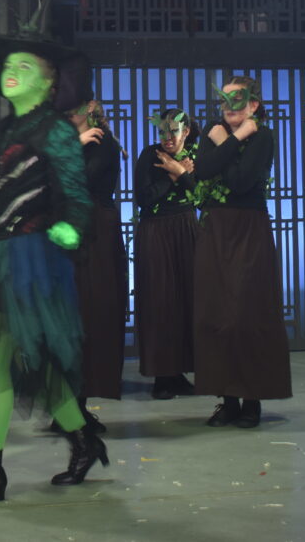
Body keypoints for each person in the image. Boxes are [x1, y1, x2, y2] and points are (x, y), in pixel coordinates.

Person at [0, 0, 107, 510]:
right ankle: (83, 442)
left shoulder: (56, 130)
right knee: (38, 368)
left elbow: (76, 197)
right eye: (9, 64)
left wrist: (69, 232)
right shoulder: (6, 130)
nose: (13, 70)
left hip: (31, 261)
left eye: (25, 66)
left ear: (50, 82)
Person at [192, 76, 292, 429]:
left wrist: (228, 142)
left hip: (249, 230)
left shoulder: (263, 136)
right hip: (215, 230)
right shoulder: (213, 130)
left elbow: (240, 181)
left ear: (253, 105)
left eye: (237, 100)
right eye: (224, 101)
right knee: (216, 313)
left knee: (247, 314)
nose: (228, 107)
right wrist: (231, 139)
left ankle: (252, 400)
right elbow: (203, 170)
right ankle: (228, 400)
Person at [63, 99, 128, 431]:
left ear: (90, 107)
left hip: (95, 236)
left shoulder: (103, 143)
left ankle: (78, 405)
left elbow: (79, 183)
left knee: (91, 314)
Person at [133, 109, 199, 400]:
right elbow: (143, 199)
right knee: (159, 300)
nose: (167, 137)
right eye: (163, 131)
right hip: (155, 231)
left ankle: (179, 371)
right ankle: (162, 375)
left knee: (187, 298)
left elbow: (200, 195)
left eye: (174, 131)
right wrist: (172, 176)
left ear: (186, 131)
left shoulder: (196, 155)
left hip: (186, 228)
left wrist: (182, 173)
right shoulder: (150, 155)